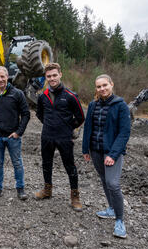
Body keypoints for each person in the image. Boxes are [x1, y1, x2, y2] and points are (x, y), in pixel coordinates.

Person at [82, 74, 131, 238]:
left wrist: (113, 154)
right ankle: (111, 209)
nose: (102, 89)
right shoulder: (93, 105)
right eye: (98, 86)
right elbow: (88, 127)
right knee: (104, 179)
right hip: (95, 150)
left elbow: (124, 133)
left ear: (111, 84)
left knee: (113, 183)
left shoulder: (121, 106)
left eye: (105, 85)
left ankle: (119, 220)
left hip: (111, 152)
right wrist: (85, 150)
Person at [35, 63, 85, 211]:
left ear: (60, 75)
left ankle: (75, 196)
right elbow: (39, 114)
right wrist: (50, 124)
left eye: (54, 75)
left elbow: (81, 117)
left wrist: (68, 127)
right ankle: (47, 190)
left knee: (70, 166)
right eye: (49, 76)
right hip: (47, 136)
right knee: (46, 164)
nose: (52, 78)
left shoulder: (70, 96)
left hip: (64, 137)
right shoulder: (42, 96)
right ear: (45, 77)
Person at [0, 66, 31, 200]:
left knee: (17, 163)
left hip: (13, 137)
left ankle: (20, 189)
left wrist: (18, 132)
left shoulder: (17, 94)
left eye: (2, 76)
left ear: (7, 76)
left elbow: (26, 114)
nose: (0, 79)